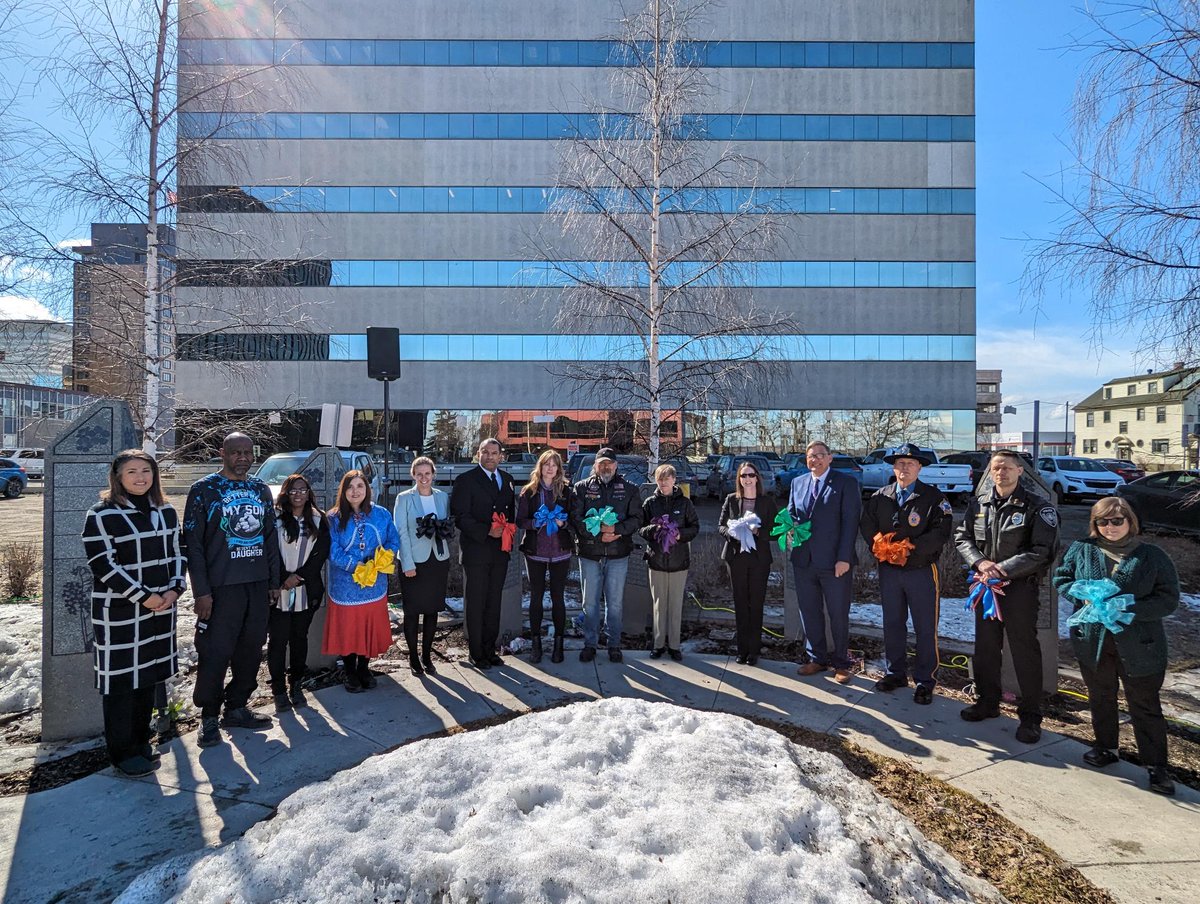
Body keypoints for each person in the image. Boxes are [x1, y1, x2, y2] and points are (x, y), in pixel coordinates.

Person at [1054, 497, 1179, 795]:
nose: (1110, 527)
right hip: (1093, 640)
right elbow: (1062, 578)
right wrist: (1079, 594)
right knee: (1100, 696)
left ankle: (1156, 766)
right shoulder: (1082, 549)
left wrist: (1130, 608)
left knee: (1145, 704)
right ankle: (1106, 747)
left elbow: (1168, 599)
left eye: (1116, 521)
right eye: (1103, 521)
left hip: (1140, 645)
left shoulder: (1152, 556)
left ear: (1130, 522)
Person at [82, 450, 186, 776]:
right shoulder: (101, 514)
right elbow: (104, 566)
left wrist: (173, 589)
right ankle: (122, 753)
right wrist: (144, 597)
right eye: (132, 472)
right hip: (120, 613)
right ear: (118, 477)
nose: (140, 477)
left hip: (161, 609)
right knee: (122, 684)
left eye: (146, 470)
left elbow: (178, 553)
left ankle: (142, 742)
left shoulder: (165, 511)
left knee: (147, 678)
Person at [182, 432, 280, 748]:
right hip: (221, 589)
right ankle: (209, 718)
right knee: (215, 653)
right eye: (236, 452)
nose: (242, 457)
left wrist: (273, 582)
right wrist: (201, 592)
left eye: (248, 452)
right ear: (222, 453)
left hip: (256, 585)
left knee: (251, 651)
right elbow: (193, 545)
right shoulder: (204, 490)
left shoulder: (260, 490)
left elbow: (269, 538)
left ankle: (237, 706)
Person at [955, 450, 1059, 743]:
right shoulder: (979, 503)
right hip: (986, 588)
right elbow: (963, 537)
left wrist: (1001, 569)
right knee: (986, 647)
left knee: (1024, 650)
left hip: (1019, 589)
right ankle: (987, 703)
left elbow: (1043, 551)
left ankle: (1030, 716)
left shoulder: (1037, 507)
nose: (1000, 472)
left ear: (1019, 471)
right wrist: (979, 562)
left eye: (1006, 467)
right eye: (995, 468)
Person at [859, 443, 954, 705]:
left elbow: (941, 531)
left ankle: (925, 680)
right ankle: (895, 673)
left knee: (925, 627)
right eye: (900, 463)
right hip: (889, 572)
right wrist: (880, 545)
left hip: (920, 571)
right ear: (893, 466)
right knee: (892, 623)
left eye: (910, 464)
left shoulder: (933, 497)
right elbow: (867, 524)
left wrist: (910, 550)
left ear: (919, 467)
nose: (904, 468)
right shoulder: (881, 495)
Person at [787, 440, 862, 683]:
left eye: (820, 455)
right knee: (809, 611)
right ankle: (816, 658)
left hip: (834, 563)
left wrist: (844, 558)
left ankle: (841, 663)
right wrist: (788, 531)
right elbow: (791, 514)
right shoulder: (797, 483)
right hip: (804, 561)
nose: (815, 459)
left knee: (838, 613)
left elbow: (851, 523)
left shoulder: (846, 483)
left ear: (830, 458)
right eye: (811, 456)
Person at [324, 469, 401, 692]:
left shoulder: (382, 514)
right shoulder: (333, 518)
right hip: (345, 587)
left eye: (360, 486)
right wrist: (356, 566)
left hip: (374, 585)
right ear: (343, 491)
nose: (355, 491)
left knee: (367, 628)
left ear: (367, 489)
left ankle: (364, 669)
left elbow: (393, 541)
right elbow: (333, 551)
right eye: (350, 487)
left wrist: (378, 562)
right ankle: (350, 672)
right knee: (349, 630)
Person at [570, 447, 643, 662]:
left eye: (609, 463)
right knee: (590, 603)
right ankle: (590, 644)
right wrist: (600, 532)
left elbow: (637, 518)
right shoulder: (581, 488)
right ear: (595, 465)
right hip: (590, 553)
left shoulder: (629, 489)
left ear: (616, 465)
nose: (606, 467)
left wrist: (616, 530)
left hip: (618, 553)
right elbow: (576, 518)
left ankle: (614, 644)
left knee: (615, 603)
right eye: (601, 463)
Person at [450, 439, 516, 670]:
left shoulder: (507, 480)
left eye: (494, 452)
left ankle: (490, 649)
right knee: (476, 603)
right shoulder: (465, 480)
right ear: (477, 454)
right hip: (477, 550)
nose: (489, 456)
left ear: (501, 456)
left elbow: (512, 514)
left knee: (493, 602)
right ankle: (476, 652)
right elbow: (460, 515)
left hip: (499, 552)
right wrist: (486, 530)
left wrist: (508, 531)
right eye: (485, 452)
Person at [269, 473, 330, 711]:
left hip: (306, 589)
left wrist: (298, 576)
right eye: (293, 490)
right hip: (278, 590)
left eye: (303, 490)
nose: (298, 494)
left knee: (299, 639)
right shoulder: (274, 518)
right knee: (277, 641)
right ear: (285, 493)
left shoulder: (318, 519)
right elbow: (269, 550)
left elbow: (320, 553)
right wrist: (285, 577)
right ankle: (278, 689)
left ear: (309, 493)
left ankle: (296, 684)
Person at [393, 456, 453, 676]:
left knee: (432, 610)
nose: (424, 477)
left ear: (433, 474)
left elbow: (446, 525)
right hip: (414, 562)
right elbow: (402, 532)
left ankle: (427, 654)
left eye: (428, 473)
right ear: (413, 475)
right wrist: (407, 562)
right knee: (412, 611)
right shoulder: (404, 498)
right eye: (419, 474)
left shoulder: (442, 497)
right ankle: (414, 657)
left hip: (438, 559)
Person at [718, 461, 780, 665]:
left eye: (750, 475)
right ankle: (742, 649)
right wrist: (732, 533)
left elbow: (775, 530)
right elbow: (721, 526)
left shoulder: (767, 502)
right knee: (740, 603)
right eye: (743, 476)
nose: (747, 479)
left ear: (757, 478)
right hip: (736, 557)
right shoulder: (731, 500)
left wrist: (758, 532)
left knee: (756, 603)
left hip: (759, 559)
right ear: (739, 479)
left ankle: (754, 650)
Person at [516, 450, 574, 664]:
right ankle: (536, 644)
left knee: (558, 597)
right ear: (539, 467)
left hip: (560, 552)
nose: (550, 468)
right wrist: (535, 523)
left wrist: (563, 523)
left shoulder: (567, 491)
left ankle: (559, 644)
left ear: (559, 468)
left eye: (554, 464)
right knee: (536, 597)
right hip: (536, 552)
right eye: (546, 464)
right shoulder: (529, 492)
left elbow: (574, 518)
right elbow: (520, 520)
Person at [640, 464, 700, 661]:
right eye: (660, 479)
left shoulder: (684, 503)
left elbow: (695, 527)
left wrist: (680, 534)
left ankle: (674, 646)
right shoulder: (650, 503)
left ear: (674, 480)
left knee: (675, 605)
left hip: (678, 562)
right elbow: (640, 529)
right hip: (656, 561)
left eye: (667, 479)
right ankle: (658, 644)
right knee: (658, 605)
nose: (663, 482)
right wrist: (653, 530)